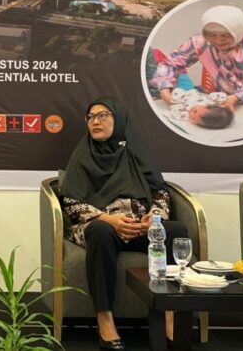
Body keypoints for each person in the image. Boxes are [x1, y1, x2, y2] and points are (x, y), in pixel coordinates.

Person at [60, 97, 187, 351]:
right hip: (102, 224)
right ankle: (105, 318)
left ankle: (169, 312)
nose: (95, 121)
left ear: (118, 120)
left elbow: (160, 191)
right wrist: (109, 219)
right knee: (100, 232)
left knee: (175, 231)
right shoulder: (82, 155)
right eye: (90, 117)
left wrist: (154, 218)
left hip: (140, 225)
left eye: (103, 115)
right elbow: (71, 201)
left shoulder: (136, 152)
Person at [151, 5, 243, 120]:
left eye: (226, 35)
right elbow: (170, 64)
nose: (218, 40)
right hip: (229, 102)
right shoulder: (200, 42)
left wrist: (236, 97)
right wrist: (164, 89)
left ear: (238, 30)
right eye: (211, 35)